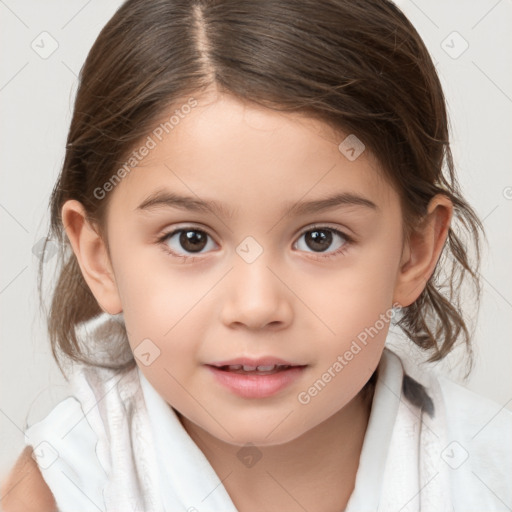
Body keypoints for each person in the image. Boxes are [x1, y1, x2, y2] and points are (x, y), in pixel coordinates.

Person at [2, 0, 510, 510]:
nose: (256, 307)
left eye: (320, 239)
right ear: (100, 257)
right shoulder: (64, 487)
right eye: (191, 239)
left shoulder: (488, 474)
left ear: (413, 252)